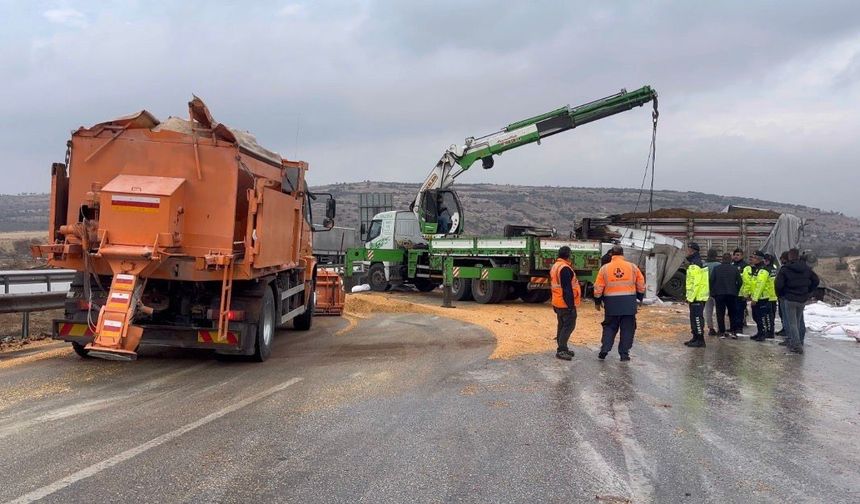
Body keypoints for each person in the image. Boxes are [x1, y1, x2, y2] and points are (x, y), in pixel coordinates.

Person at [593, 245, 645, 361]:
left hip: (611, 304)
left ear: (611, 254)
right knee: (628, 328)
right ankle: (624, 354)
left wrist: (597, 301)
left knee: (609, 327)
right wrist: (640, 298)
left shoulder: (604, 269)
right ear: (623, 254)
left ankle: (604, 350)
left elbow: (598, 287)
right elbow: (641, 284)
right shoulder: (632, 267)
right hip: (629, 303)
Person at [776, 248, 820, 354]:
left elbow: (779, 285)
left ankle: (796, 345)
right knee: (799, 320)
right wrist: (808, 291)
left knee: (792, 323)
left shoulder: (785, 269)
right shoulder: (806, 268)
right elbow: (816, 280)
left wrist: (781, 294)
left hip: (790, 298)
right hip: (802, 298)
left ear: (789, 256)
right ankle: (800, 341)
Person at [549, 246, 581, 361]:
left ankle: (562, 347)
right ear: (568, 255)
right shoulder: (564, 268)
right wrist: (571, 306)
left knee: (562, 325)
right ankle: (561, 350)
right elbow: (567, 289)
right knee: (568, 326)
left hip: (558, 302)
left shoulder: (556, 266)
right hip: (565, 303)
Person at [710, 252, 742, 338]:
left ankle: (721, 332)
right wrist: (736, 290)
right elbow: (740, 282)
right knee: (732, 313)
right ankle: (733, 331)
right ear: (730, 259)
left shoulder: (716, 269)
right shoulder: (734, 269)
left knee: (720, 313)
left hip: (719, 294)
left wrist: (713, 292)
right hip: (732, 294)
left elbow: (711, 281)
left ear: (722, 260)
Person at [684, 242, 709, 347]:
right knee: (693, 318)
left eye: (688, 249)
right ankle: (695, 337)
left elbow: (696, 283)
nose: (687, 252)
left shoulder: (695, 264)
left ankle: (700, 340)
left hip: (697, 297)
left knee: (697, 318)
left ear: (692, 251)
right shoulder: (694, 262)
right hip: (696, 296)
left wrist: (690, 297)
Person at [748, 251, 773, 342]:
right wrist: (750, 293)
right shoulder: (757, 269)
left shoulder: (763, 270)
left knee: (761, 317)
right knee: (756, 316)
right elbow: (753, 284)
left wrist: (755, 298)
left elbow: (760, 285)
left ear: (758, 259)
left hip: (762, 298)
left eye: (754, 257)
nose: (752, 259)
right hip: (757, 297)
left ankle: (762, 334)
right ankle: (759, 332)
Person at [731, 248, 749, 336]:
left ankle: (739, 328)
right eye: (735, 255)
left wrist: (746, 293)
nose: (736, 257)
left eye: (738, 255)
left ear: (742, 256)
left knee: (740, 311)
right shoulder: (732, 264)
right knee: (733, 311)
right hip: (732, 292)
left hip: (741, 292)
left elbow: (747, 281)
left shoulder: (745, 266)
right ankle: (733, 327)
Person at [703, 248, 721, 336]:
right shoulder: (719, 265)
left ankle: (711, 328)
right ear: (716, 255)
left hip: (706, 291)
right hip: (717, 291)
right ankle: (719, 329)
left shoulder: (703, 265)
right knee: (719, 310)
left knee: (708, 311)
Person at [763, 253, 778, 339]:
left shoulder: (765, 270)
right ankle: (771, 330)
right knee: (772, 315)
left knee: (768, 315)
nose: (764, 261)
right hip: (774, 295)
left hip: (768, 295)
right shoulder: (775, 269)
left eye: (765, 260)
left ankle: (769, 332)